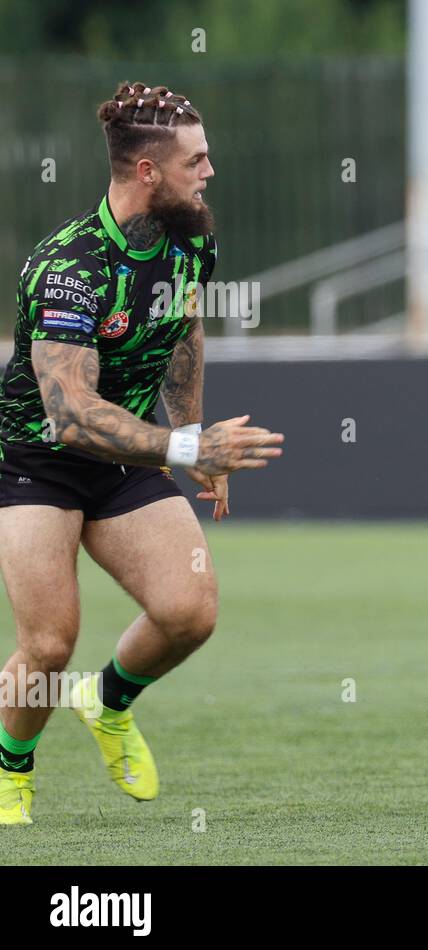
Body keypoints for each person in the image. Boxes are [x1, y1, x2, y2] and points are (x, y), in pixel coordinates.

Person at [0, 82, 285, 825]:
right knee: (50, 644)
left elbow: (183, 334)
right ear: (149, 171)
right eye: (197, 159)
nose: (210, 171)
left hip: (129, 452)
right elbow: (70, 414)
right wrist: (185, 441)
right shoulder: (68, 266)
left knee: (188, 611)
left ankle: (109, 703)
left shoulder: (191, 238)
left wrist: (190, 442)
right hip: (38, 460)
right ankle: (11, 769)